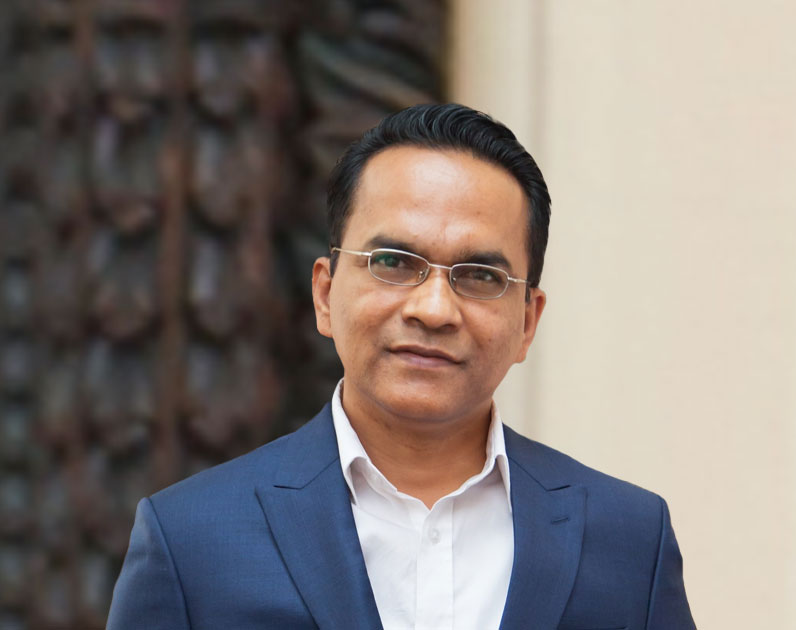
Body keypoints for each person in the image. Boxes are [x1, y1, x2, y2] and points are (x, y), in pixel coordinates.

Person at [106, 104, 695, 630]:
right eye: (393, 262)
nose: (433, 309)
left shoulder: (628, 540)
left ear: (527, 321)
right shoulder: (190, 541)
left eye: (480, 276)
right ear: (325, 293)